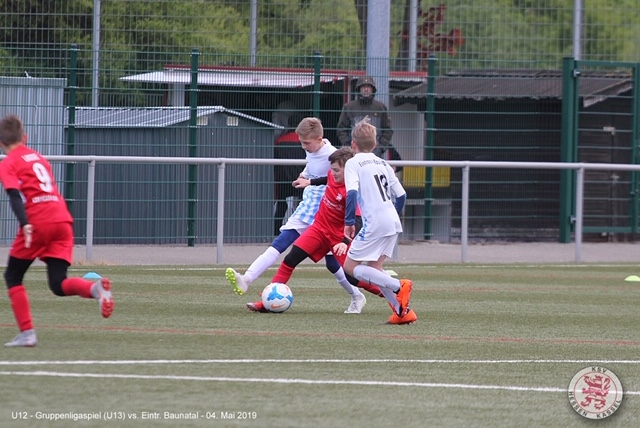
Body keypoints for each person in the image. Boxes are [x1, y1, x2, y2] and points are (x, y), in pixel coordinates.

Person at [0, 114, 114, 347]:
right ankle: (95, 289)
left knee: (13, 276)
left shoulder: (8, 163)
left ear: (1, 143)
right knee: (58, 283)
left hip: (38, 221)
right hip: (62, 220)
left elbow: (14, 195)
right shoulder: (39, 158)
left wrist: (25, 223)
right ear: (25, 137)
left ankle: (27, 333)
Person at [226, 117, 355, 304]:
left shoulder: (332, 155)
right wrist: (305, 174)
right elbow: (312, 164)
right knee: (280, 243)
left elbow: (342, 178)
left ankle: (359, 295)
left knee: (333, 264)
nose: (303, 146)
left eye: (306, 143)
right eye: (301, 142)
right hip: (308, 208)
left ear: (319, 139)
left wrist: (310, 181)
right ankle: (246, 279)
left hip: (327, 214)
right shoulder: (313, 150)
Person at [247, 147, 369, 314]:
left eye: (336, 170)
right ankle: (267, 301)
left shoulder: (350, 192)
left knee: (351, 275)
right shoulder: (332, 176)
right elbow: (326, 178)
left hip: (337, 238)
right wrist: (309, 182)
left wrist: (345, 242)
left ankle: (392, 290)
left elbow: (358, 221)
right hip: (319, 229)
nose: (332, 173)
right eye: (332, 169)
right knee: (290, 259)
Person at [342, 117, 417, 325]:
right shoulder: (384, 163)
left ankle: (398, 285)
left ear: (353, 144)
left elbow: (352, 193)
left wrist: (349, 222)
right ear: (375, 144)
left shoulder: (353, 163)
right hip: (392, 220)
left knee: (349, 267)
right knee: (375, 268)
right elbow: (401, 195)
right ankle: (403, 312)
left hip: (374, 222)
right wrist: (392, 215)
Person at [336, 75, 395, 160]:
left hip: (375, 153)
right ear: (358, 89)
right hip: (353, 153)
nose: (366, 89)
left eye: (368, 87)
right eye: (363, 86)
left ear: (373, 89)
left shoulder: (381, 108)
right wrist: (350, 147)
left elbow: (388, 130)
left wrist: (380, 149)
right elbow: (341, 129)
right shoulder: (349, 107)